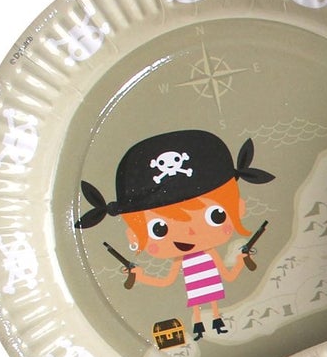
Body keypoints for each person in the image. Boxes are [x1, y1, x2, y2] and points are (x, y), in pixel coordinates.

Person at [76, 129, 273, 341]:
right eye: (159, 229)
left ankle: (215, 321)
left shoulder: (206, 256)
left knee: (211, 302)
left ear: (239, 208)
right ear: (133, 235)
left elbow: (228, 276)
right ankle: (199, 325)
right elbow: (166, 282)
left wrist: (242, 260)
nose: (189, 232)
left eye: (216, 216)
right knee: (197, 305)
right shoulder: (184, 260)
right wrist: (140, 276)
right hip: (195, 293)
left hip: (211, 288)